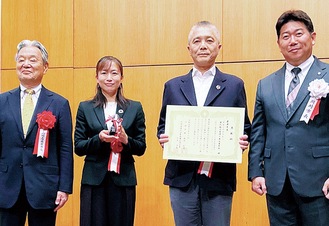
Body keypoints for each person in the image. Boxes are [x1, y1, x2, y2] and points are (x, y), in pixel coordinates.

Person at [157, 21, 251, 226]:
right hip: (182, 177)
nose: (203, 45)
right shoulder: (173, 86)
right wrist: (164, 138)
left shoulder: (235, 85)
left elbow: (245, 127)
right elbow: (163, 125)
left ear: (219, 46)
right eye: (196, 41)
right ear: (188, 48)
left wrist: (242, 141)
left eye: (209, 40)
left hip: (219, 178)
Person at [248, 10, 329, 225]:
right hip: (277, 183)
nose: (292, 41)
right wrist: (256, 172)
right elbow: (258, 131)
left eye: (298, 34)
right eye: (285, 36)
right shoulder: (266, 84)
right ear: (279, 43)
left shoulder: (328, 75)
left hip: (320, 182)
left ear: (312, 37)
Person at [0, 40, 73, 226]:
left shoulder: (59, 103)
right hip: (6, 186)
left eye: (33, 60)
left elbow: (65, 148)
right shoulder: (2, 101)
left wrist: (64, 187)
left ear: (45, 67)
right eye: (21, 59)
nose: (26, 64)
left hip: (44, 187)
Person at [74, 56, 146, 226]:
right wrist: (98, 138)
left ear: (121, 78)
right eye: (104, 73)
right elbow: (78, 146)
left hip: (123, 179)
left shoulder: (134, 107)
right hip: (94, 179)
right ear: (97, 78)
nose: (109, 78)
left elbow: (141, 147)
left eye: (114, 73)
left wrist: (126, 139)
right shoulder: (85, 107)